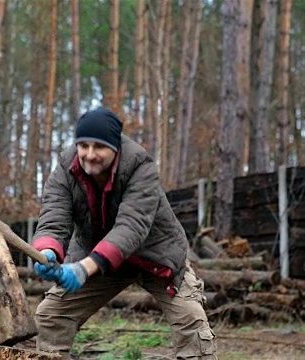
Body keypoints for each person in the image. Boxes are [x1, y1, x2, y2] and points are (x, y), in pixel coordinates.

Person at [30, 108, 217, 359]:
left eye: (99, 147)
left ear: (115, 147)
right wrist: (48, 250)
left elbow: (132, 226)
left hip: (154, 255)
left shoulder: (141, 165)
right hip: (97, 258)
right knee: (52, 316)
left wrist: (84, 268)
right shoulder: (66, 167)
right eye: (83, 146)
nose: (89, 155)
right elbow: (54, 213)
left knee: (191, 323)